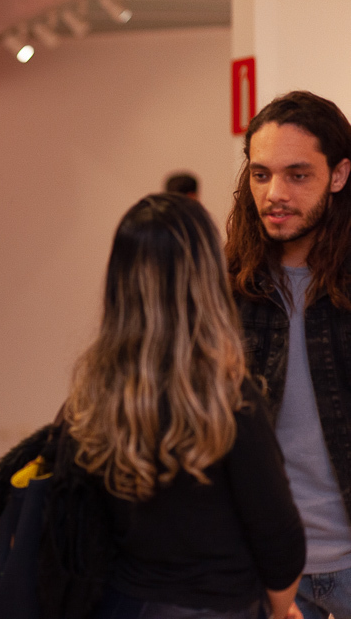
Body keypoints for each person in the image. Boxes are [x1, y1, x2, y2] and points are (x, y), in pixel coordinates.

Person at [61, 194, 305, 619]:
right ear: (207, 279)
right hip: (219, 605)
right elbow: (279, 536)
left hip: (121, 604)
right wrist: (282, 610)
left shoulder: (91, 396)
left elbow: (74, 523)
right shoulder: (230, 399)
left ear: (120, 279)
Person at [226, 90, 351, 619]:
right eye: (261, 175)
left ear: (339, 174)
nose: (275, 194)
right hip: (266, 567)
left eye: (298, 175)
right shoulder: (228, 290)